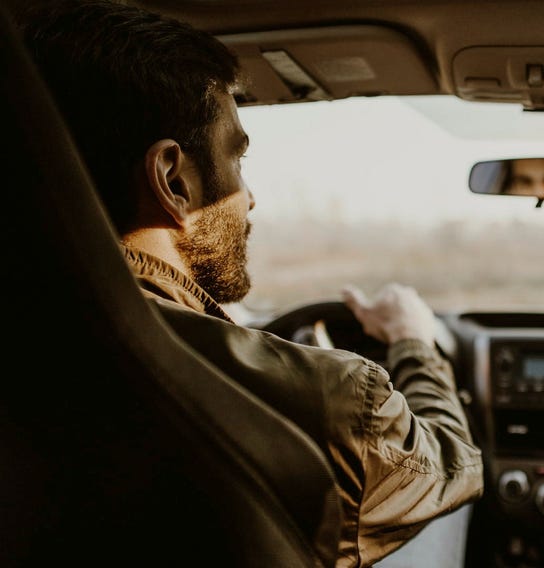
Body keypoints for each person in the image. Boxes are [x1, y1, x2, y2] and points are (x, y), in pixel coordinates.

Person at [19, 2, 483, 567]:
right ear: (172, 179)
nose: (251, 197)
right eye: (236, 160)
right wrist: (415, 342)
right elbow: (453, 468)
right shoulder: (335, 402)